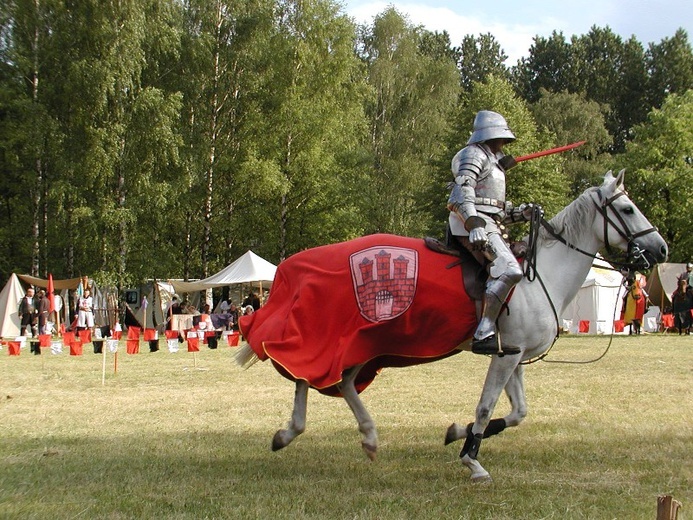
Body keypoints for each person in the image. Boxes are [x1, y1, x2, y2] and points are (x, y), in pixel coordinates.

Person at [447, 110, 537, 356]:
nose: (503, 144)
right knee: (509, 270)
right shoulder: (473, 154)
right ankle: (483, 333)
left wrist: (521, 213)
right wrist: (473, 224)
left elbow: (496, 210)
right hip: (473, 223)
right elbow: (460, 193)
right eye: (500, 137)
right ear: (489, 135)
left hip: (489, 222)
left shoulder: (494, 161)